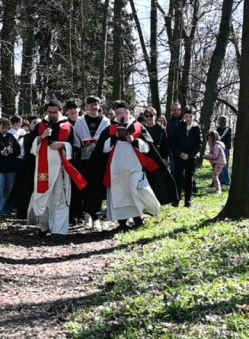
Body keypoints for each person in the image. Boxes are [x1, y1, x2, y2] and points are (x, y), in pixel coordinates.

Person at [101, 101, 177, 231]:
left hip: (134, 167)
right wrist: (115, 138)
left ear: (129, 113)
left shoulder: (137, 126)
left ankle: (138, 218)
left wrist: (134, 141)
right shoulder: (110, 128)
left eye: (124, 112)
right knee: (120, 194)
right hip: (116, 168)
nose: (122, 115)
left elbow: (147, 147)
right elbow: (103, 148)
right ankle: (122, 222)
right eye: (119, 113)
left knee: (134, 191)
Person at [28, 99, 84, 240]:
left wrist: (63, 145)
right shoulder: (41, 126)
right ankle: (44, 226)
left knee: (60, 198)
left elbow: (77, 146)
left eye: (55, 112)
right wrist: (42, 137)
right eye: (50, 112)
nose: (52, 115)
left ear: (61, 112)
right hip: (43, 170)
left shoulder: (67, 126)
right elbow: (29, 145)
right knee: (45, 198)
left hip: (60, 170)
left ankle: (59, 230)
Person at [71, 97, 110, 229]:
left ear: (99, 106)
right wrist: (83, 144)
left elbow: (110, 139)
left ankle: (96, 216)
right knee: (86, 187)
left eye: (96, 104)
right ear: (86, 106)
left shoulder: (106, 121)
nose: (93, 107)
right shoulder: (80, 121)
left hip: (100, 159)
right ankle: (87, 214)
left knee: (98, 188)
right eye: (91, 104)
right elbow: (75, 139)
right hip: (85, 158)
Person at [169, 107, 203, 208]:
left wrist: (190, 154)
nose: (188, 118)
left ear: (194, 117)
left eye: (190, 116)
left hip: (190, 158)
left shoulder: (196, 128)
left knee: (189, 179)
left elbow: (199, 144)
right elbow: (173, 142)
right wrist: (180, 153)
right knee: (179, 178)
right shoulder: (179, 126)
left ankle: (188, 200)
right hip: (179, 157)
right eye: (186, 116)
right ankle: (177, 199)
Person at [0, 118, 21, 216]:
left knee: (9, 188)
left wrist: (12, 151)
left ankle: (5, 208)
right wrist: (0, 152)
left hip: (10, 167)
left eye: (7, 128)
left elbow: (18, 150)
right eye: (3, 127)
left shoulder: (11, 137)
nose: (5, 130)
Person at [206, 129, 228, 195]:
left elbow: (215, 155)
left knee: (215, 176)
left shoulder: (216, 146)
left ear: (214, 138)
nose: (209, 140)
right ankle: (218, 188)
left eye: (210, 138)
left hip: (219, 162)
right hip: (218, 162)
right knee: (216, 176)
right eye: (208, 138)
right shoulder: (213, 145)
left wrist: (206, 156)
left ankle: (218, 190)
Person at [215, 115, 233, 187]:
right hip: (219, 148)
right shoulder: (218, 129)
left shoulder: (228, 129)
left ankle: (226, 180)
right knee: (219, 164)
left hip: (226, 148)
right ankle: (220, 180)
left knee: (225, 164)